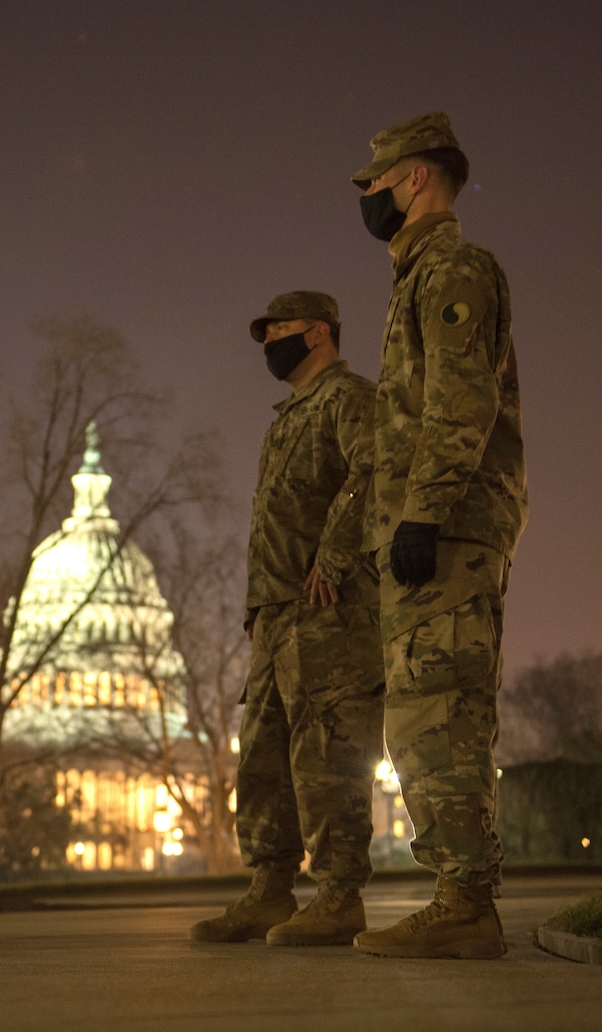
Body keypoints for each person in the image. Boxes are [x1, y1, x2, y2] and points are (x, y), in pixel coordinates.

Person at [347, 114, 528, 960]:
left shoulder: (452, 268)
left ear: (415, 177)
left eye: (374, 182)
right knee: (424, 713)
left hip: (447, 526)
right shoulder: (419, 274)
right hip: (429, 521)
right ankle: (458, 894)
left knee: (440, 712)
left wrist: (422, 513)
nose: (367, 198)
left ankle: (464, 902)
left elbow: (460, 400)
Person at [190, 291, 382, 947]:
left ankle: (338, 895)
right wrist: (255, 611)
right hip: (274, 620)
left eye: (281, 329)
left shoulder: (349, 398)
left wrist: (336, 552)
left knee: (327, 757)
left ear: (320, 333)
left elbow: (377, 468)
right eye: (266, 332)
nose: (271, 342)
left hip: (329, 615)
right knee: (264, 762)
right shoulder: (286, 418)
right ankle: (270, 889)